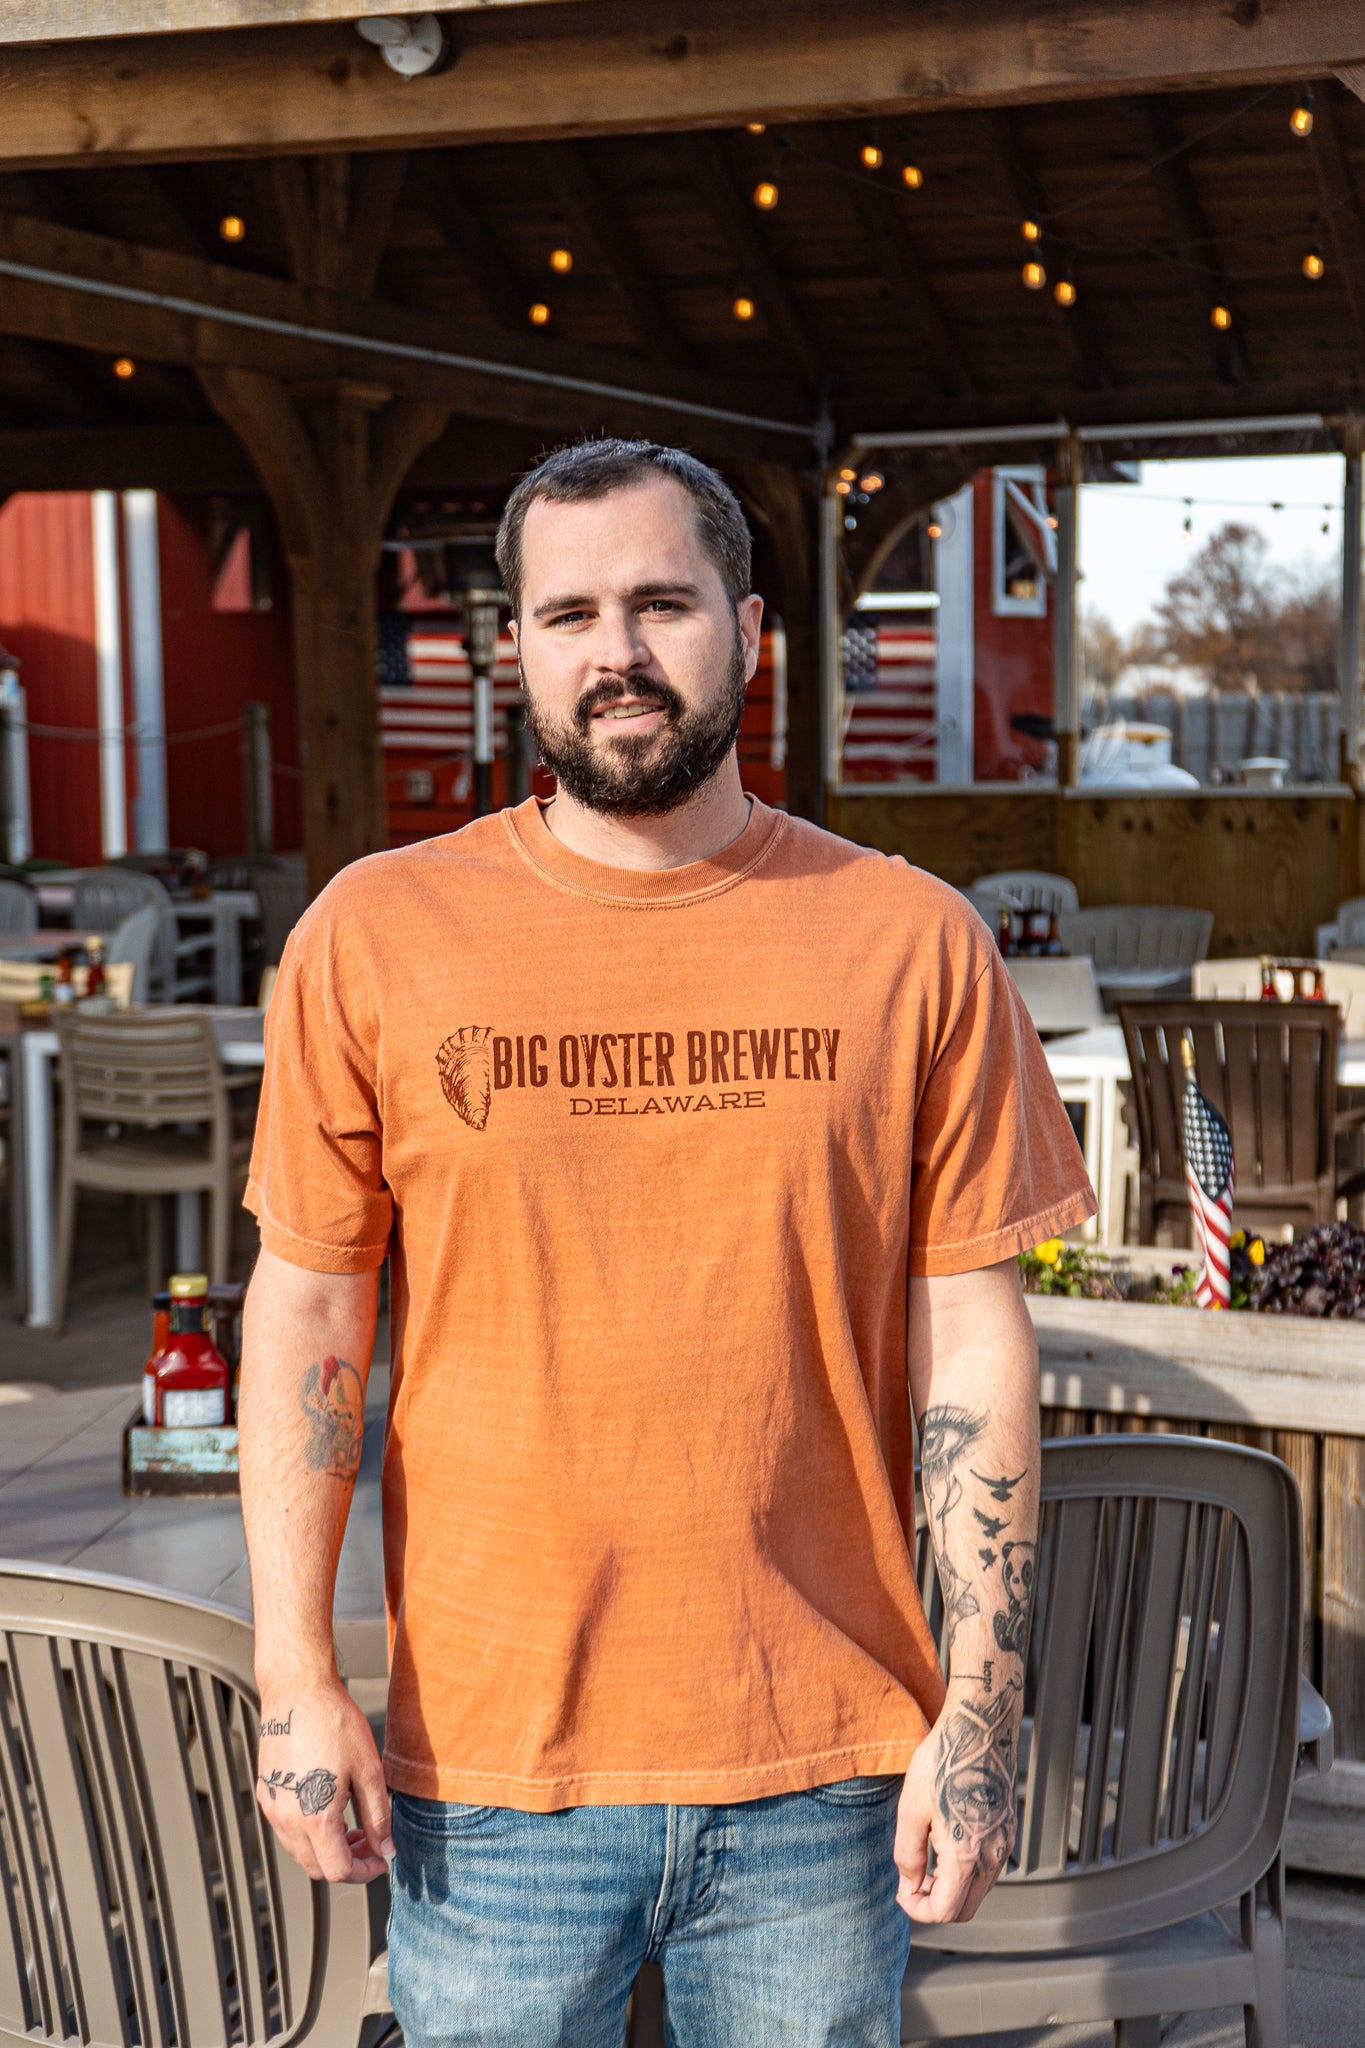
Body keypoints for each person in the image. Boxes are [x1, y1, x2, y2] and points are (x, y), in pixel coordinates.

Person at [239, 438, 1095, 2048]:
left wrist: (981, 1707)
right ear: (514, 648)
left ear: (749, 631)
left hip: (821, 1762)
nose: (615, 652)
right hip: (488, 1765)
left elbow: (972, 1339)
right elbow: (308, 1316)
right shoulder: (375, 933)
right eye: (568, 614)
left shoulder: (910, 939)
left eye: (661, 604)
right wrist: (294, 1674)